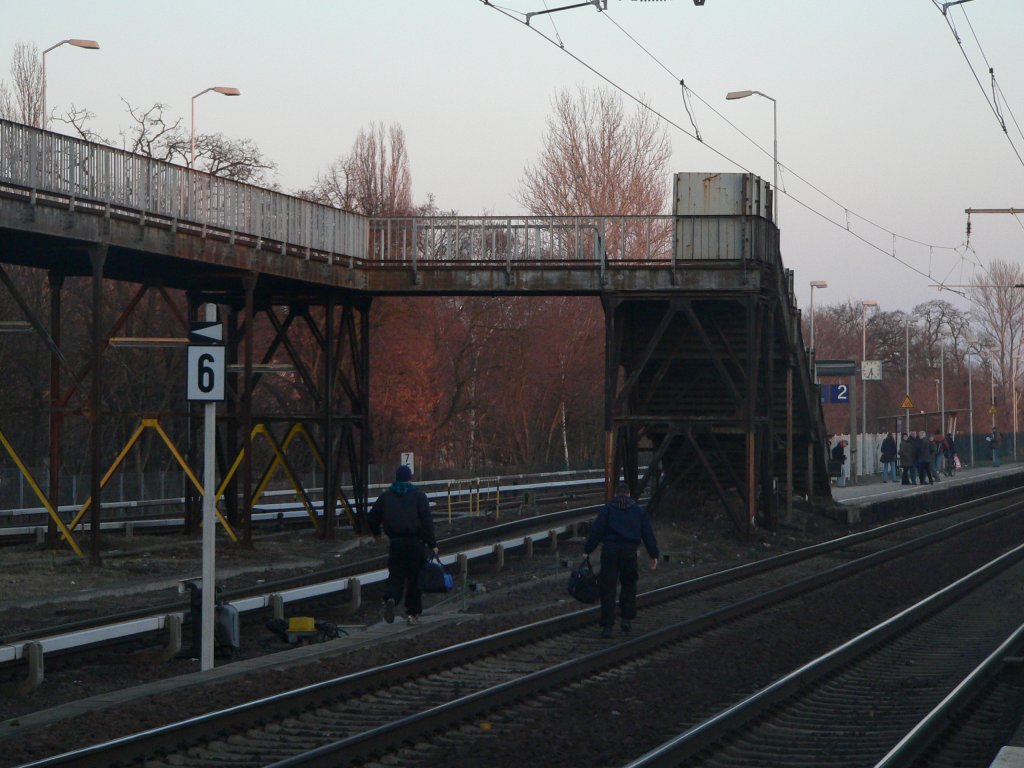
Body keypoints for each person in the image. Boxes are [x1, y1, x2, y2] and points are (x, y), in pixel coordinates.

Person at [584, 483, 659, 639]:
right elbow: (648, 534)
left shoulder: (607, 510)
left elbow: (596, 532)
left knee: (608, 589)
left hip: (610, 553)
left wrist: (587, 550)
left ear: (616, 494)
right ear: (629, 494)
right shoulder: (638, 511)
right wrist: (654, 555)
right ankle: (626, 619)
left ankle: (607, 626)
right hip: (629, 553)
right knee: (629, 586)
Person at [368, 465, 437, 626]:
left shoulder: (386, 497)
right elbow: (427, 521)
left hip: (396, 543)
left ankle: (391, 598)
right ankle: (412, 615)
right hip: (416, 543)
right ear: (410, 478)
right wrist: (432, 543)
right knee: (415, 579)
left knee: (396, 576)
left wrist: (377, 534)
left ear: (396, 478)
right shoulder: (419, 496)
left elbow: (372, 517)